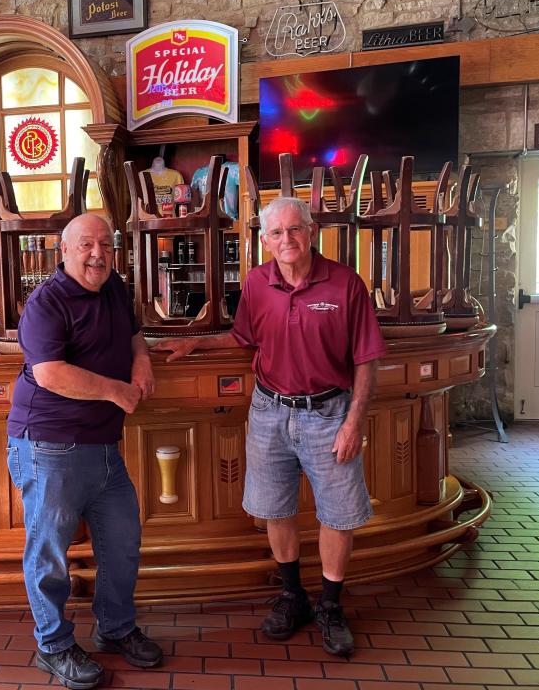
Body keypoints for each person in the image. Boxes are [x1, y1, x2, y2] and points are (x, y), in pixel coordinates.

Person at [154, 196, 386, 658]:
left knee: (338, 514)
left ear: (312, 230)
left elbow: (366, 359)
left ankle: (331, 606)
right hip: (268, 412)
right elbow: (243, 337)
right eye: (276, 234)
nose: (287, 240)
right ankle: (292, 596)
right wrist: (195, 345)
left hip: (329, 414)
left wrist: (354, 421)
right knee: (275, 509)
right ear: (264, 240)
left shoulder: (345, 284)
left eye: (294, 230)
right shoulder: (257, 283)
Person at [7, 213, 164, 689]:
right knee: (49, 552)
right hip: (48, 446)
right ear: (63, 250)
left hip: (103, 448)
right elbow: (50, 373)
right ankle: (52, 646)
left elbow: (134, 334)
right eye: (86, 245)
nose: (97, 254)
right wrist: (117, 391)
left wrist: (141, 361)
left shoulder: (114, 286)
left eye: (105, 246)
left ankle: (115, 629)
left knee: (122, 543)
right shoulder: (46, 302)